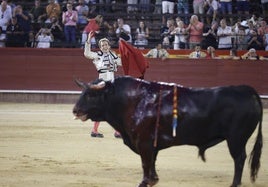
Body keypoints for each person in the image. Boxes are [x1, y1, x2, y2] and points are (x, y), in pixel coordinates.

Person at [84, 31, 122, 138]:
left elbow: (122, 62)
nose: (104, 47)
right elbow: (87, 54)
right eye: (102, 45)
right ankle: (113, 131)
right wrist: (88, 40)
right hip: (102, 84)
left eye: (106, 45)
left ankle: (97, 131)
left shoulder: (113, 56)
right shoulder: (98, 56)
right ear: (100, 47)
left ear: (109, 46)